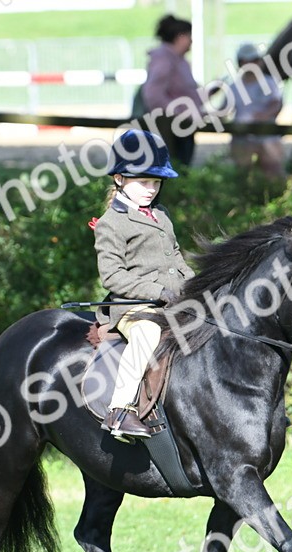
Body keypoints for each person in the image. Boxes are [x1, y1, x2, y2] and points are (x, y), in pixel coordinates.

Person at [93, 130, 194, 441]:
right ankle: (120, 411)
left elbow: (176, 258)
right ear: (120, 179)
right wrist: (157, 292)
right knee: (148, 333)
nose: (152, 189)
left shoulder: (160, 216)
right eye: (144, 182)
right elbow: (112, 276)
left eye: (157, 183)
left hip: (171, 301)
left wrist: (197, 286)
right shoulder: (112, 223)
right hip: (131, 307)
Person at [141, 15, 201, 167]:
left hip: (180, 125)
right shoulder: (165, 59)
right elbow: (153, 94)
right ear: (179, 37)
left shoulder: (178, 60)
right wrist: (179, 112)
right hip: (169, 128)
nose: (191, 41)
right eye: (189, 36)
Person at [226, 43, 286, 181]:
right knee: (243, 175)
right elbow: (225, 109)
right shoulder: (234, 86)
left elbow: (277, 103)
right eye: (248, 61)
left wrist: (265, 116)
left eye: (255, 60)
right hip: (242, 137)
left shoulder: (270, 82)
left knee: (274, 173)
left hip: (267, 136)